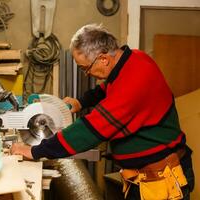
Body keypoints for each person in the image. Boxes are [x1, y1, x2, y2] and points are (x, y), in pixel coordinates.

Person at [11, 24, 195, 199]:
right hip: (144, 178)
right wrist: (81, 102)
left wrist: (35, 151)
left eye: (85, 68)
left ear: (103, 58)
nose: (86, 74)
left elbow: (89, 130)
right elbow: (107, 88)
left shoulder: (134, 82)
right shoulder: (134, 59)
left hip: (162, 182)